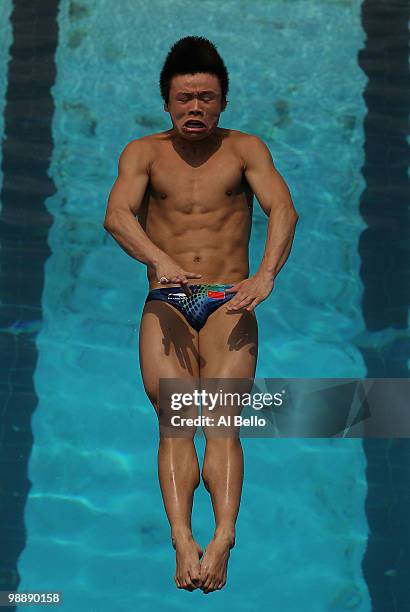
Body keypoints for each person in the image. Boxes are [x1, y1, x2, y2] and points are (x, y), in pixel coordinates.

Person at [103, 35, 298, 594]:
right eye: (185, 98)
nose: (196, 108)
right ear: (166, 102)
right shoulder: (142, 152)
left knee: (221, 422)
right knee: (175, 422)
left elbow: (282, 208)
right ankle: (184, 538)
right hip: (167, 298)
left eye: (207, 98)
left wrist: (265, 276)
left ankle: (224, 537)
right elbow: (117, 215)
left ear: (223, 102)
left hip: (227, 297)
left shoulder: (245, 149)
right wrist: (159, 259)